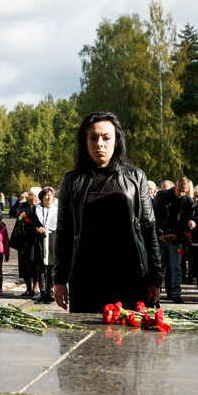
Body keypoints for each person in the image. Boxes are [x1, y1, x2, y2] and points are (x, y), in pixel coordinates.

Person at [54, 111, 164, 313]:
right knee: (84, 341)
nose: (99, 144)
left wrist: (156, 278)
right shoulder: (71, 181)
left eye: (106, 138)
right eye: (93, 138)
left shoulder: (135, 177)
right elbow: (64, 232)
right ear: (85, 142)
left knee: (130, 340)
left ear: (116, 141)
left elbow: (148, 229)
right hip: (86, 277)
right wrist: (59, 279)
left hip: (130, 276)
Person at [155, 176, 193, 302]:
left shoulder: (187, 201)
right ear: (175, 187)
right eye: (180, 190)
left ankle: (176, 293)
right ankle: (156, 293)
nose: (182, 193)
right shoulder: (162, 196)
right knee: (159, 266)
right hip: (161, 237)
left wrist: (179, 235)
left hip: (177, 239)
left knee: (176, 267)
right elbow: (154, 216)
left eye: (185, 191)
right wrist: (160, 234)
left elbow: (187, 220)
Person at [33, 186, 58, 303]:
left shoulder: (57, 211)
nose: (49, 197)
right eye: (46, 195)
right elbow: (28, 225)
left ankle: (50, 293)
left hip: (52, 241)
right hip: (39, 242)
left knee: (51, 268)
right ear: (42, 198)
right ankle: (42, 293)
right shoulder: (35, 210)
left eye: (51, 195)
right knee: (41, 268)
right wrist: (37, 229)